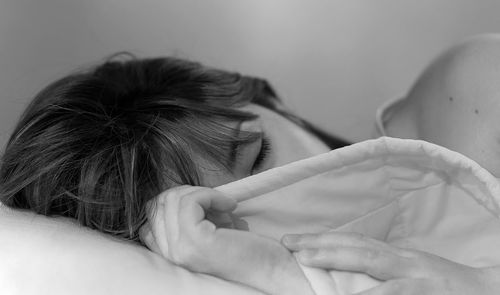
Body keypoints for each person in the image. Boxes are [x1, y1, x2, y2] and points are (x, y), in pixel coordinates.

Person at [2, 34, 500, 294]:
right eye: (219, 223)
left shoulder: (474, 100)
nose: (293, 211)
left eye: (257, 156)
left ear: (277, 107)